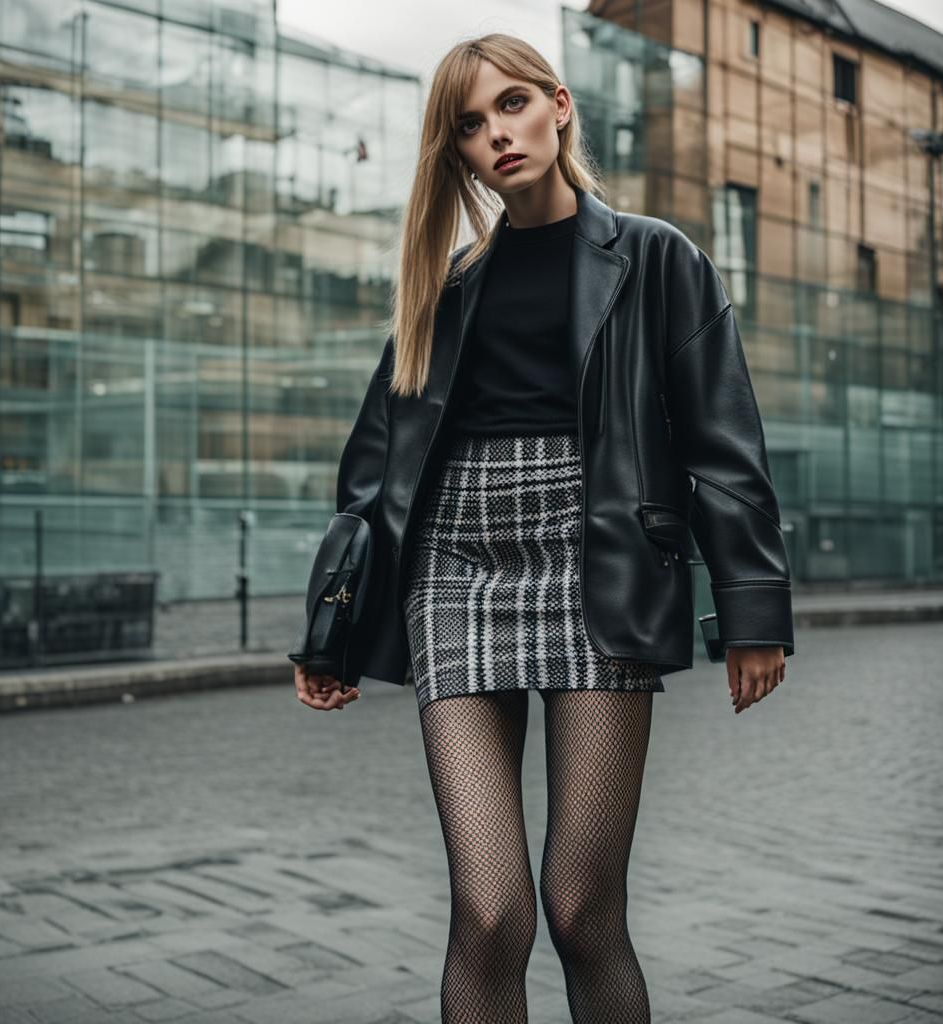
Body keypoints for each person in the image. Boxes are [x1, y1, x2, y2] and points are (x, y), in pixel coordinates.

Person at [293, 31, 793, 1024]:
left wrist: (752, 609)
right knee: (489, 914)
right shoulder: (442, 287)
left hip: (597, 562)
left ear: (559, 105)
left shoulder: (655, 257)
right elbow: (375, 472)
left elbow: (722, 438)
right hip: (454, 569)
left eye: (512, 104)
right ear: (456, 153)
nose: (497, 134)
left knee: (580, 910)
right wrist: (330, 630)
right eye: (469, 125)